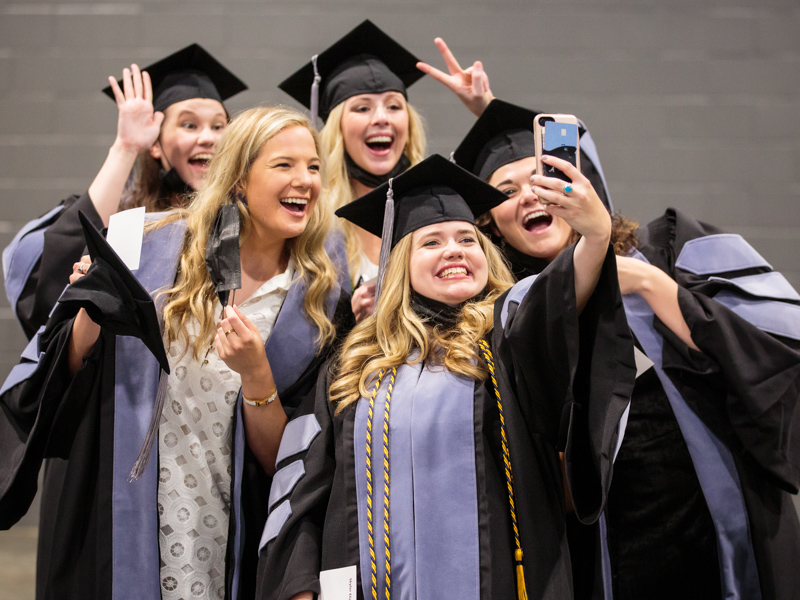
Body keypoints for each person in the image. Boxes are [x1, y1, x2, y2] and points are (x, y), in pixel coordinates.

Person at [0, 106, 353, 600]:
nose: (306, 180)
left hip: (235, 530)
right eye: (284, 165)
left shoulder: (321, 298)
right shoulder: (147, 243)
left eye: (313, 166)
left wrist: (257, 377)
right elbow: (67, 383)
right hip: (133, 513)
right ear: (237, 180)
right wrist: (88, 312)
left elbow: (291, 465)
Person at [453, 100, 800, 600]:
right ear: (490, 224)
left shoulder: (670, 246)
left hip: (726, 531)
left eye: (542, 175)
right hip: (609, 552)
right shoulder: (509, 317)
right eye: (507, 191)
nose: (530, 195)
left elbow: (777, 349)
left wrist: (655, 286)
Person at [255, 154, 634, 600]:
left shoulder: (507, 335)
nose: (454, 249)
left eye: (467, 239)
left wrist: (594, 235)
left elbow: (562, 296)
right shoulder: (352, 365)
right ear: (400, 264)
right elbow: (299, 490)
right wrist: (299, 591)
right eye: (431, 242)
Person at [3, 44, 247, 340]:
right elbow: (53, 292)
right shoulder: (128, 221)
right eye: (189, 124)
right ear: (156, 144)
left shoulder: (244, 222)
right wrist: (127, 146)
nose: (208, 137)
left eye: (219, 126)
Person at [278, 21, 496, 322]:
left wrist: (486, 108)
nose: (381, 118)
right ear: (337, 127)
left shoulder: (441, 201)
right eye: (362, 108)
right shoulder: (312, 219)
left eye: (394, 106)